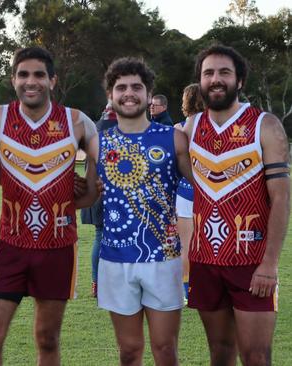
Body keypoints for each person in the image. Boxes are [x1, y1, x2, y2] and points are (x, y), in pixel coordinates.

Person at [0, 47, 99, 365]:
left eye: (39, 75)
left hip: (57, 247)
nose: (32, 82)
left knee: (47, 339)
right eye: (24, 74)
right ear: (13, 79)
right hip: (11, 246)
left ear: (52, 80)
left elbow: (91, 193)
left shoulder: (77, 122)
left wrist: (76, 190)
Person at [183, 44, 289, 366]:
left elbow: (282, 198)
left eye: (224, 72)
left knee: (256, 356)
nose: (216, 79)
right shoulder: (189, 128)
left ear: (239, 80)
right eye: (209, 73)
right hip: (204, 260)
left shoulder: (265, 125)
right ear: (200, 81)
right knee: (220, 354)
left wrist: (270, 264)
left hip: (252, 263)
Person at [87, 57, 193, 365]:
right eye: (121, 87)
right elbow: (84, 197)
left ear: (149, 95)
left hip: (163, 258)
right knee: (130, 352)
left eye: (137, 87)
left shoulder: (173, 138)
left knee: (165, 350)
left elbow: (204, 187)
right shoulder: (98, 142)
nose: (129, 93)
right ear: (111, 95)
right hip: (115, 260)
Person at [80, 100, 117, 297]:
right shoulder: (118, 130)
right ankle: (106, 283)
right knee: (105, 237)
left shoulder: (94, 128)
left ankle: (97, 283)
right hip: (110, 194)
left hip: (94, 193)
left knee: (99, 237)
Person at [174, 83, 205, 302]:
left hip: (185, 191)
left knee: (185, 244)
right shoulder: (215, 126)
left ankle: (187, 291)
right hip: (211, 191)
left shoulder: (180, 128)